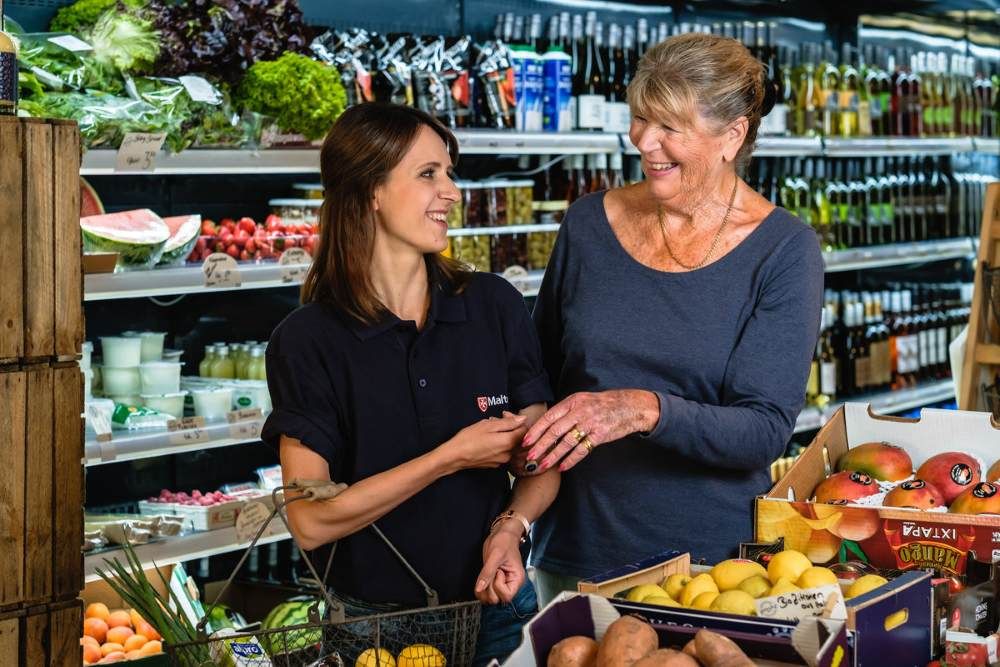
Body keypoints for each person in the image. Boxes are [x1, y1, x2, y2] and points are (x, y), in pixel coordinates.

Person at [522, 33, 824, 604]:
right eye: (640, 118)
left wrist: (642, 409)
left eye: (669, 127)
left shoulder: (784, 250)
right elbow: (538, 375)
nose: (644, 140)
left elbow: (762, 430)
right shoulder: (588, 225)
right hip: (573, 554)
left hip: (708, 572)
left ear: (732, 136)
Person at [260, 103, 559, 664]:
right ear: (370, 190)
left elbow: (542, 463)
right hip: (373, 633)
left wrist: (511, 527)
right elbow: (310, 522)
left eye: (450, 173)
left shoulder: (494, 305)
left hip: (498, 610)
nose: (451, 192)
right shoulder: (308, 341)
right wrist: (451, 456)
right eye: (428, 175)